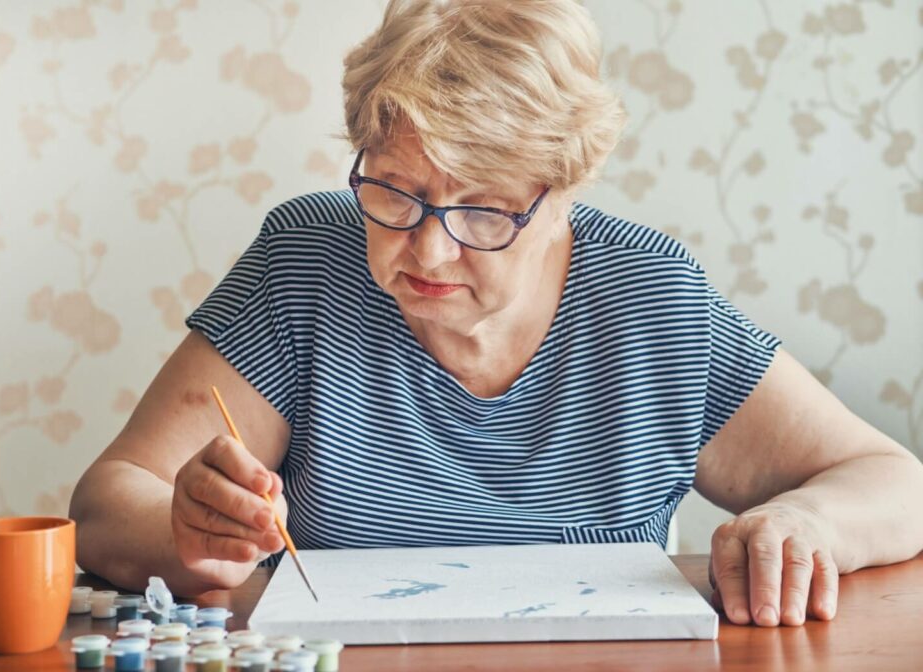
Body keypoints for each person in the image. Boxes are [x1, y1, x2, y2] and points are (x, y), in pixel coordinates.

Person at [70, 0, 923, 628]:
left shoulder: (649, 300)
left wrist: (808, 521)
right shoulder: (308, 263)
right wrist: (185, 529)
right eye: (395, 193)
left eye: (484, 211)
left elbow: (895, 482)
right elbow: (106, 506)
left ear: (565, 196)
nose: (427, 252)